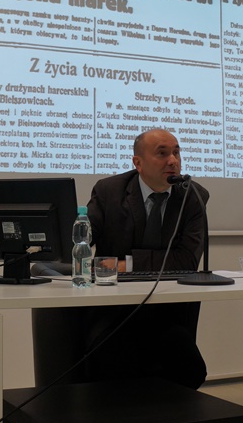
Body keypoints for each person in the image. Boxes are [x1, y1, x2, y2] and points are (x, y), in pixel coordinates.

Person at [82, 128, 209, 389]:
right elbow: (81, 241)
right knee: (114, 360)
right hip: (114, 309)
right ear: (138, 163)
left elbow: (186, 261)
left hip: (167, 311)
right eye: (162, 153)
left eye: (176, 153)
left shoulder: (193, 196)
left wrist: (126, 264)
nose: (173, 161)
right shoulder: (109, 191)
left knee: (192, 369)